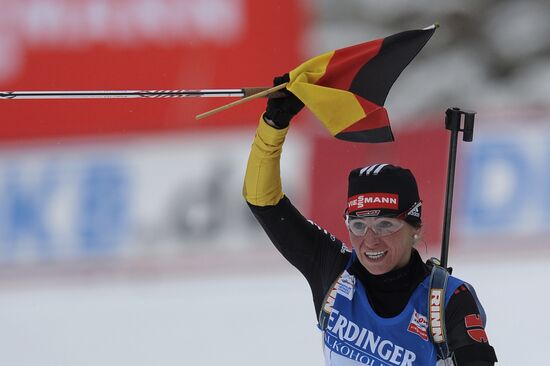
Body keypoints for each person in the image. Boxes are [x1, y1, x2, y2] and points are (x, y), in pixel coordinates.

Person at [243, 75, 498, 365]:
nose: (370, 240)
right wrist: (274, 124)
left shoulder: (448, 299)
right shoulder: (334, 271)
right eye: (358, 225)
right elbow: (262, 201)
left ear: (416, 228)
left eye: (386, 225)